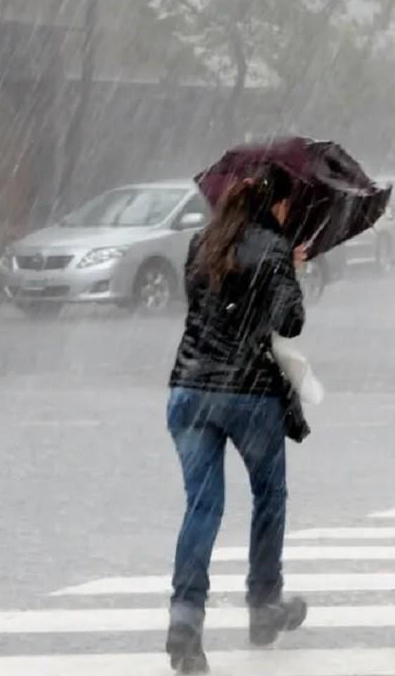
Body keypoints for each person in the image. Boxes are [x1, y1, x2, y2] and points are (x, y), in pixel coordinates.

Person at [165, 165, 308, 674]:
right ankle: (264, 605)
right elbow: (289, 321)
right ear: (277, 206)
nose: (289, 214)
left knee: (201, 509)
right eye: (288, 206)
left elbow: (205, 308)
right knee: (269, 496)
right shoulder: (274, 249)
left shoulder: (201, 244)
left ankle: (185, 622)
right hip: (248, 395)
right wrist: (289, 268)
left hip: (188, 390)